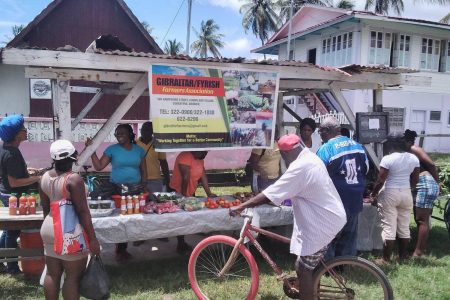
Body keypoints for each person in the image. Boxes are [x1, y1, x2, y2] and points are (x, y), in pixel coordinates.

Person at [230, 134, 346, 300]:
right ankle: (314, 293)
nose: (283, 158)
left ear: (286, 153)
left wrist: (242, 206)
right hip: (330, 216)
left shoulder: (300, 167)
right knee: (309, 263)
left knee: (303, 269)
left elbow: (270, 194)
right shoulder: (310, 156)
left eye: (283, 155)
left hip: (324, 222)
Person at [40, 140, 100, 300]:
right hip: (70, 231)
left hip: (49, 226)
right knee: (73, 277)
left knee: (52, 274)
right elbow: (82, 211)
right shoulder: (74, 179)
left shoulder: (44, 177)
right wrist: (93, 240)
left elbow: (45, 208)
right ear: (74, 156)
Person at [86, 124, 145, 261]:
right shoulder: (112, 150)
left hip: (135, 187)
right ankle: (117, 247)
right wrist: (92, 150)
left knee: (131, 217)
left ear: (130, 134)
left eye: (122, 133)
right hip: (119, 187)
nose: (119, 136)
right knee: (119, 217)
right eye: (117, 134)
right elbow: (99, 166)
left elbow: (143, 170)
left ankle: (123, 247)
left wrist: (144, 184)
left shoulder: (139, 150)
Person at [316, 116, 368, 260]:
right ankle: (346, 263)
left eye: (320, 132)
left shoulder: (326, 148)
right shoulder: (358, 147)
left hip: (334, 201)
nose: (320, 135)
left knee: (329, 235)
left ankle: (329, 267)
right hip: (354, 199)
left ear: (327, 130)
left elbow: (317, 175)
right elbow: (366, 170)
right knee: (349, 235)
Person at [0, 115, 41, 274]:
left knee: (8, 230)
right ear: (17, 135)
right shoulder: (12, 154)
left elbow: (10, 172)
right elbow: (14, 182)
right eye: (23, 129)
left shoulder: (5, 148)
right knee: (13, 231)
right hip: (13, 195)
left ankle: (3, 262)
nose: (26, 131)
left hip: (5, 192)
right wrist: (37, 178)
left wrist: (27, 172)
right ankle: (12, 267)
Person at [370, 133, 420, 263]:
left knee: (389, 227)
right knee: (404, 226)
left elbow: (381, 180)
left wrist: (373, 194)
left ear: (391, 144)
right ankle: (402, 256)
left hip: (390, 192)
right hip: (406, 192)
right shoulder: (413, 158)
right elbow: (415, 179)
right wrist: (408, 188)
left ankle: (386, 259)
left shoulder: (388, 159)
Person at [169, 151, 216, 254]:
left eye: (206, 152)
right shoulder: (185, 156)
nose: (205, 154)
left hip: (190, 192)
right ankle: (180, 244)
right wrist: (185, 196)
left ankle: (187, 238)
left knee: (188, 217)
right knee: (180, 218)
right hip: (178, 191)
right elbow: (185, 177)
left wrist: (209, 193)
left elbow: (203, 176)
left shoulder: (200, 159)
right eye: (204, 152)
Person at [404, 129, 440, 257]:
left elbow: (430, 164)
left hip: (425, 183)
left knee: (422, 220)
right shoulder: (409, 150)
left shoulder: (414, 148)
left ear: (408, 141)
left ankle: (419, 253)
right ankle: (417, 248)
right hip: (421, 184)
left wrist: (437, 182)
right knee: (419, 218)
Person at [136, 122, 170, 193]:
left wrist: (168, 180)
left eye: (148, 130)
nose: (144, 131)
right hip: (139, 180)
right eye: (143, 129)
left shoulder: (158, 144)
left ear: (152, 132)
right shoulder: (135, 144)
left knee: (155, 202)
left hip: (155, 180)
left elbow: (163, 162)